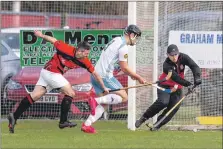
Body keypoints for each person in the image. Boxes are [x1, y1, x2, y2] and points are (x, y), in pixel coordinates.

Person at [7, 30, 109, 133]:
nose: (87, 56)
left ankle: (14, 116)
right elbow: (53, 40)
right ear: (80, 51)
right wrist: (41, 35)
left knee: (35, 95)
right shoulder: (66, 48)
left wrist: (104, 87)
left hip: (48, 73)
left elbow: (95, 74)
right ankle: (63, 121)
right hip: (51, 72)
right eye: (86, 53)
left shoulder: (85, 61)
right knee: (71, 92)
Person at [81, 24, 147, 134]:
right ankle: (95, 100)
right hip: (105, 76)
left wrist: (129, 74)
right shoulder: (124, 47)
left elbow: (111, 59)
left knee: (105, 104)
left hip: (94, 74)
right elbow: (124, 68)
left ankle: (87, 125)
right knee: (124, 97)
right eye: (136, 37)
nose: (136, 40)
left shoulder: (116, 40)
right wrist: (138, 77)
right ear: (131, 35)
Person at [135, 44, 202, 131]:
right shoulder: (166, 65)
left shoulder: (183, 57)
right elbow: (176, 78)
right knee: (163, 102)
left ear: (178, 53)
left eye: (175, 54)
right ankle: (144, 118)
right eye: (172, 55)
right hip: (165, 85)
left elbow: (194, 66)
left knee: (174, 107)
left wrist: (197, 78)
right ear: (168, 55)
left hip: (177, 88)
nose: (174, 57)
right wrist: (188, 84)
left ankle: (157, 125)